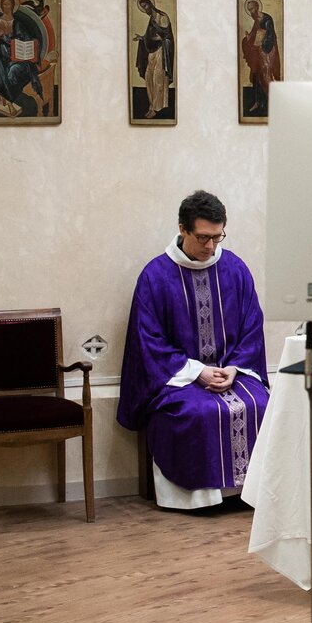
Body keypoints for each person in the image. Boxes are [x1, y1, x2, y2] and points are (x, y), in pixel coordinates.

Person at [117, 190, 270, 512]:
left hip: (231, 370)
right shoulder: (156, 276)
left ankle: (250, 493)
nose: (211, 246)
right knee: (195, 412)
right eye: (203, 237)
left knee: (261, 403)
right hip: (178, 377)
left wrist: (235, 369)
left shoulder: (235, 269)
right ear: (183, 229)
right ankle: (201, 499)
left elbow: (252, 326)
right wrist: (197, 371)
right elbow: (148, 341)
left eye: (218, 237)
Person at [134, 0, 175, 119]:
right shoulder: (151, 19)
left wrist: (161, 39)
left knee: (158, 78)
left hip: (161, 52)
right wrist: (142, 38)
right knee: (148, 76)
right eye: (143, 7)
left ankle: (156, 108)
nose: (145, 9)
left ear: (151, 5)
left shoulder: (162, 17)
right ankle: (152, 105)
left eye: (146, 6)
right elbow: (150, 36)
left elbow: (168, 37)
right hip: (152, 52)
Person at [239, 0, 280, 118]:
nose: (251, 11)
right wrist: (249, 38)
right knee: (257, 76)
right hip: (259, 52)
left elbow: (270, 36)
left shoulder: (267, 19)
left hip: (267, 52)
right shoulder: (257, 20)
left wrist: (263, 45)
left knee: (265, 76)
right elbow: (254, 34)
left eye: (252, 8)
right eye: (249, 9)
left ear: (257, 7)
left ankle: (273, 103)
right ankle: (258, 102)